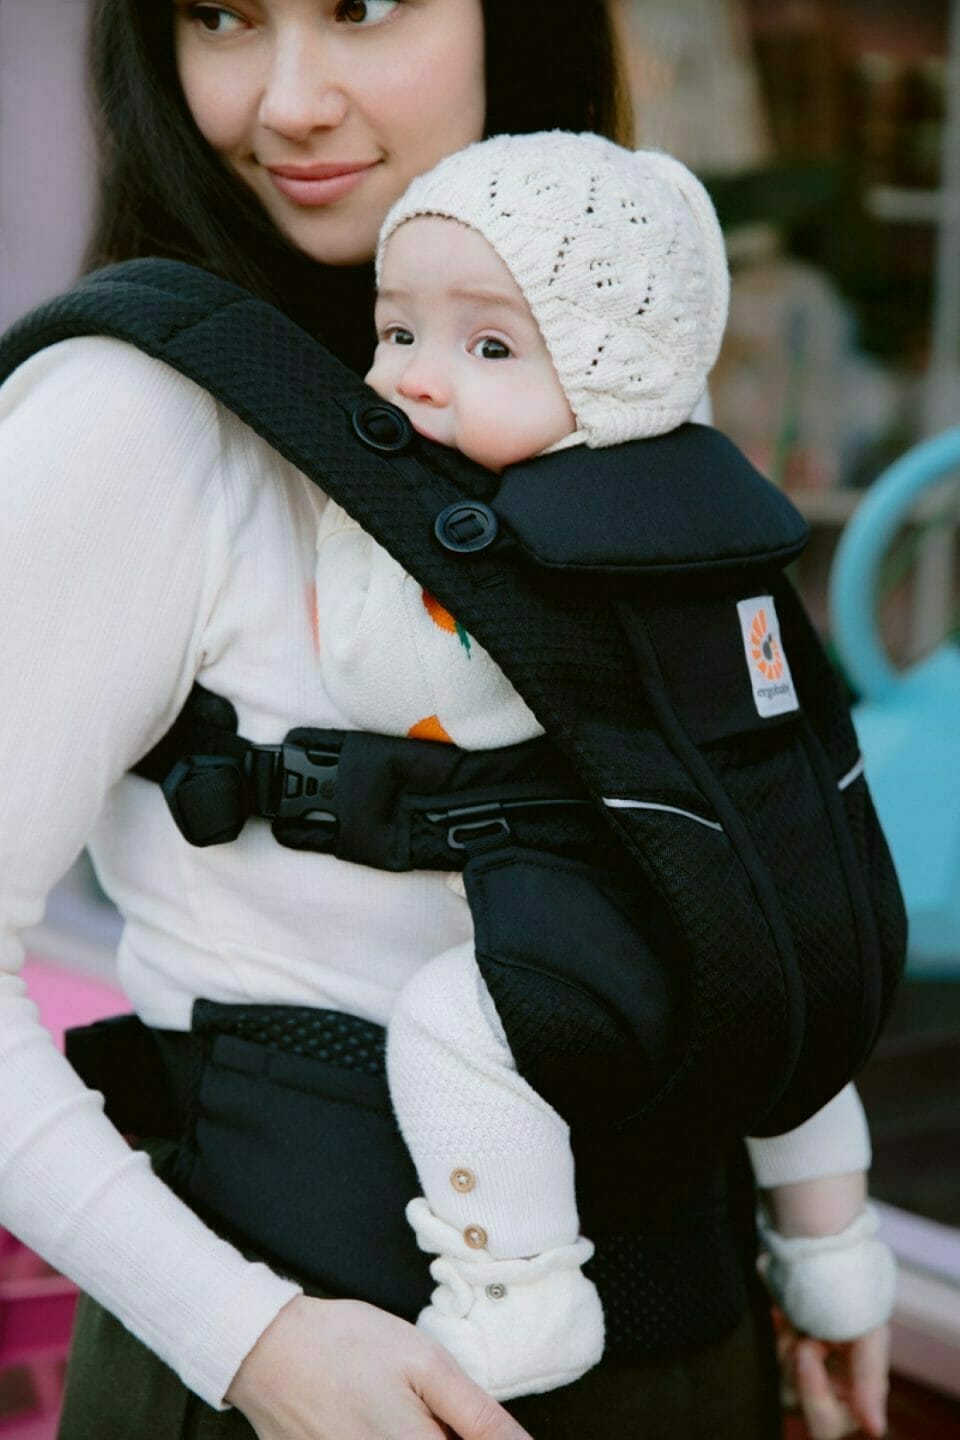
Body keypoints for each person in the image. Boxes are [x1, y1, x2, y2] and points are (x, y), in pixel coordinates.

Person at [0, 3, 887, 1438]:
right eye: (221, 15)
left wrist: (819, 1246)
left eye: (362, 5)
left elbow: (747, 861)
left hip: (695, 1344)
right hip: (317, 1377)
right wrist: (252, 1343)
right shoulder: (137, 413)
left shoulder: (597, 412)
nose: (288, 100)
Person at [315, 129, 897, 1419]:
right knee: (794, 1048)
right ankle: (836, 1260)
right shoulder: (715, 515)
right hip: (777, 919)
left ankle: (519, 1292)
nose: (414, 380)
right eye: (397, 331)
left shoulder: (532, 541)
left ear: (608, 373)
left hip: (629, 948)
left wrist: (356, 531)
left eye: (489, 347)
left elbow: (401, 692)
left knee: (455, 1023)